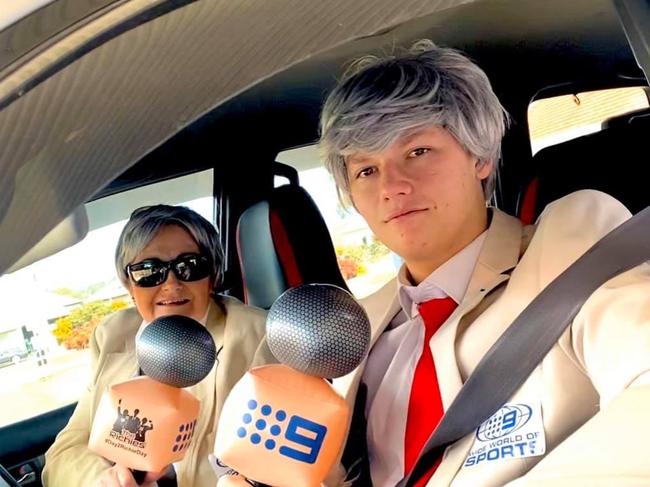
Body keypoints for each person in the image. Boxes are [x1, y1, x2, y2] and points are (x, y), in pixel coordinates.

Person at [320, 40, 650, 486]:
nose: (391, 187)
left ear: (480, 157)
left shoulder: (570, 245)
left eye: (417, 152)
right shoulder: (356, 326)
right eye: (366, 170)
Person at [43, 205, 275, 487]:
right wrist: (104, 481)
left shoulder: (258, 335)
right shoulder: (113, 335)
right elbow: (64, 453)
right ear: (129, 284)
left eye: (189, 266)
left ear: (212, 276)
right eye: (149, 271)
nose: (171, 283)